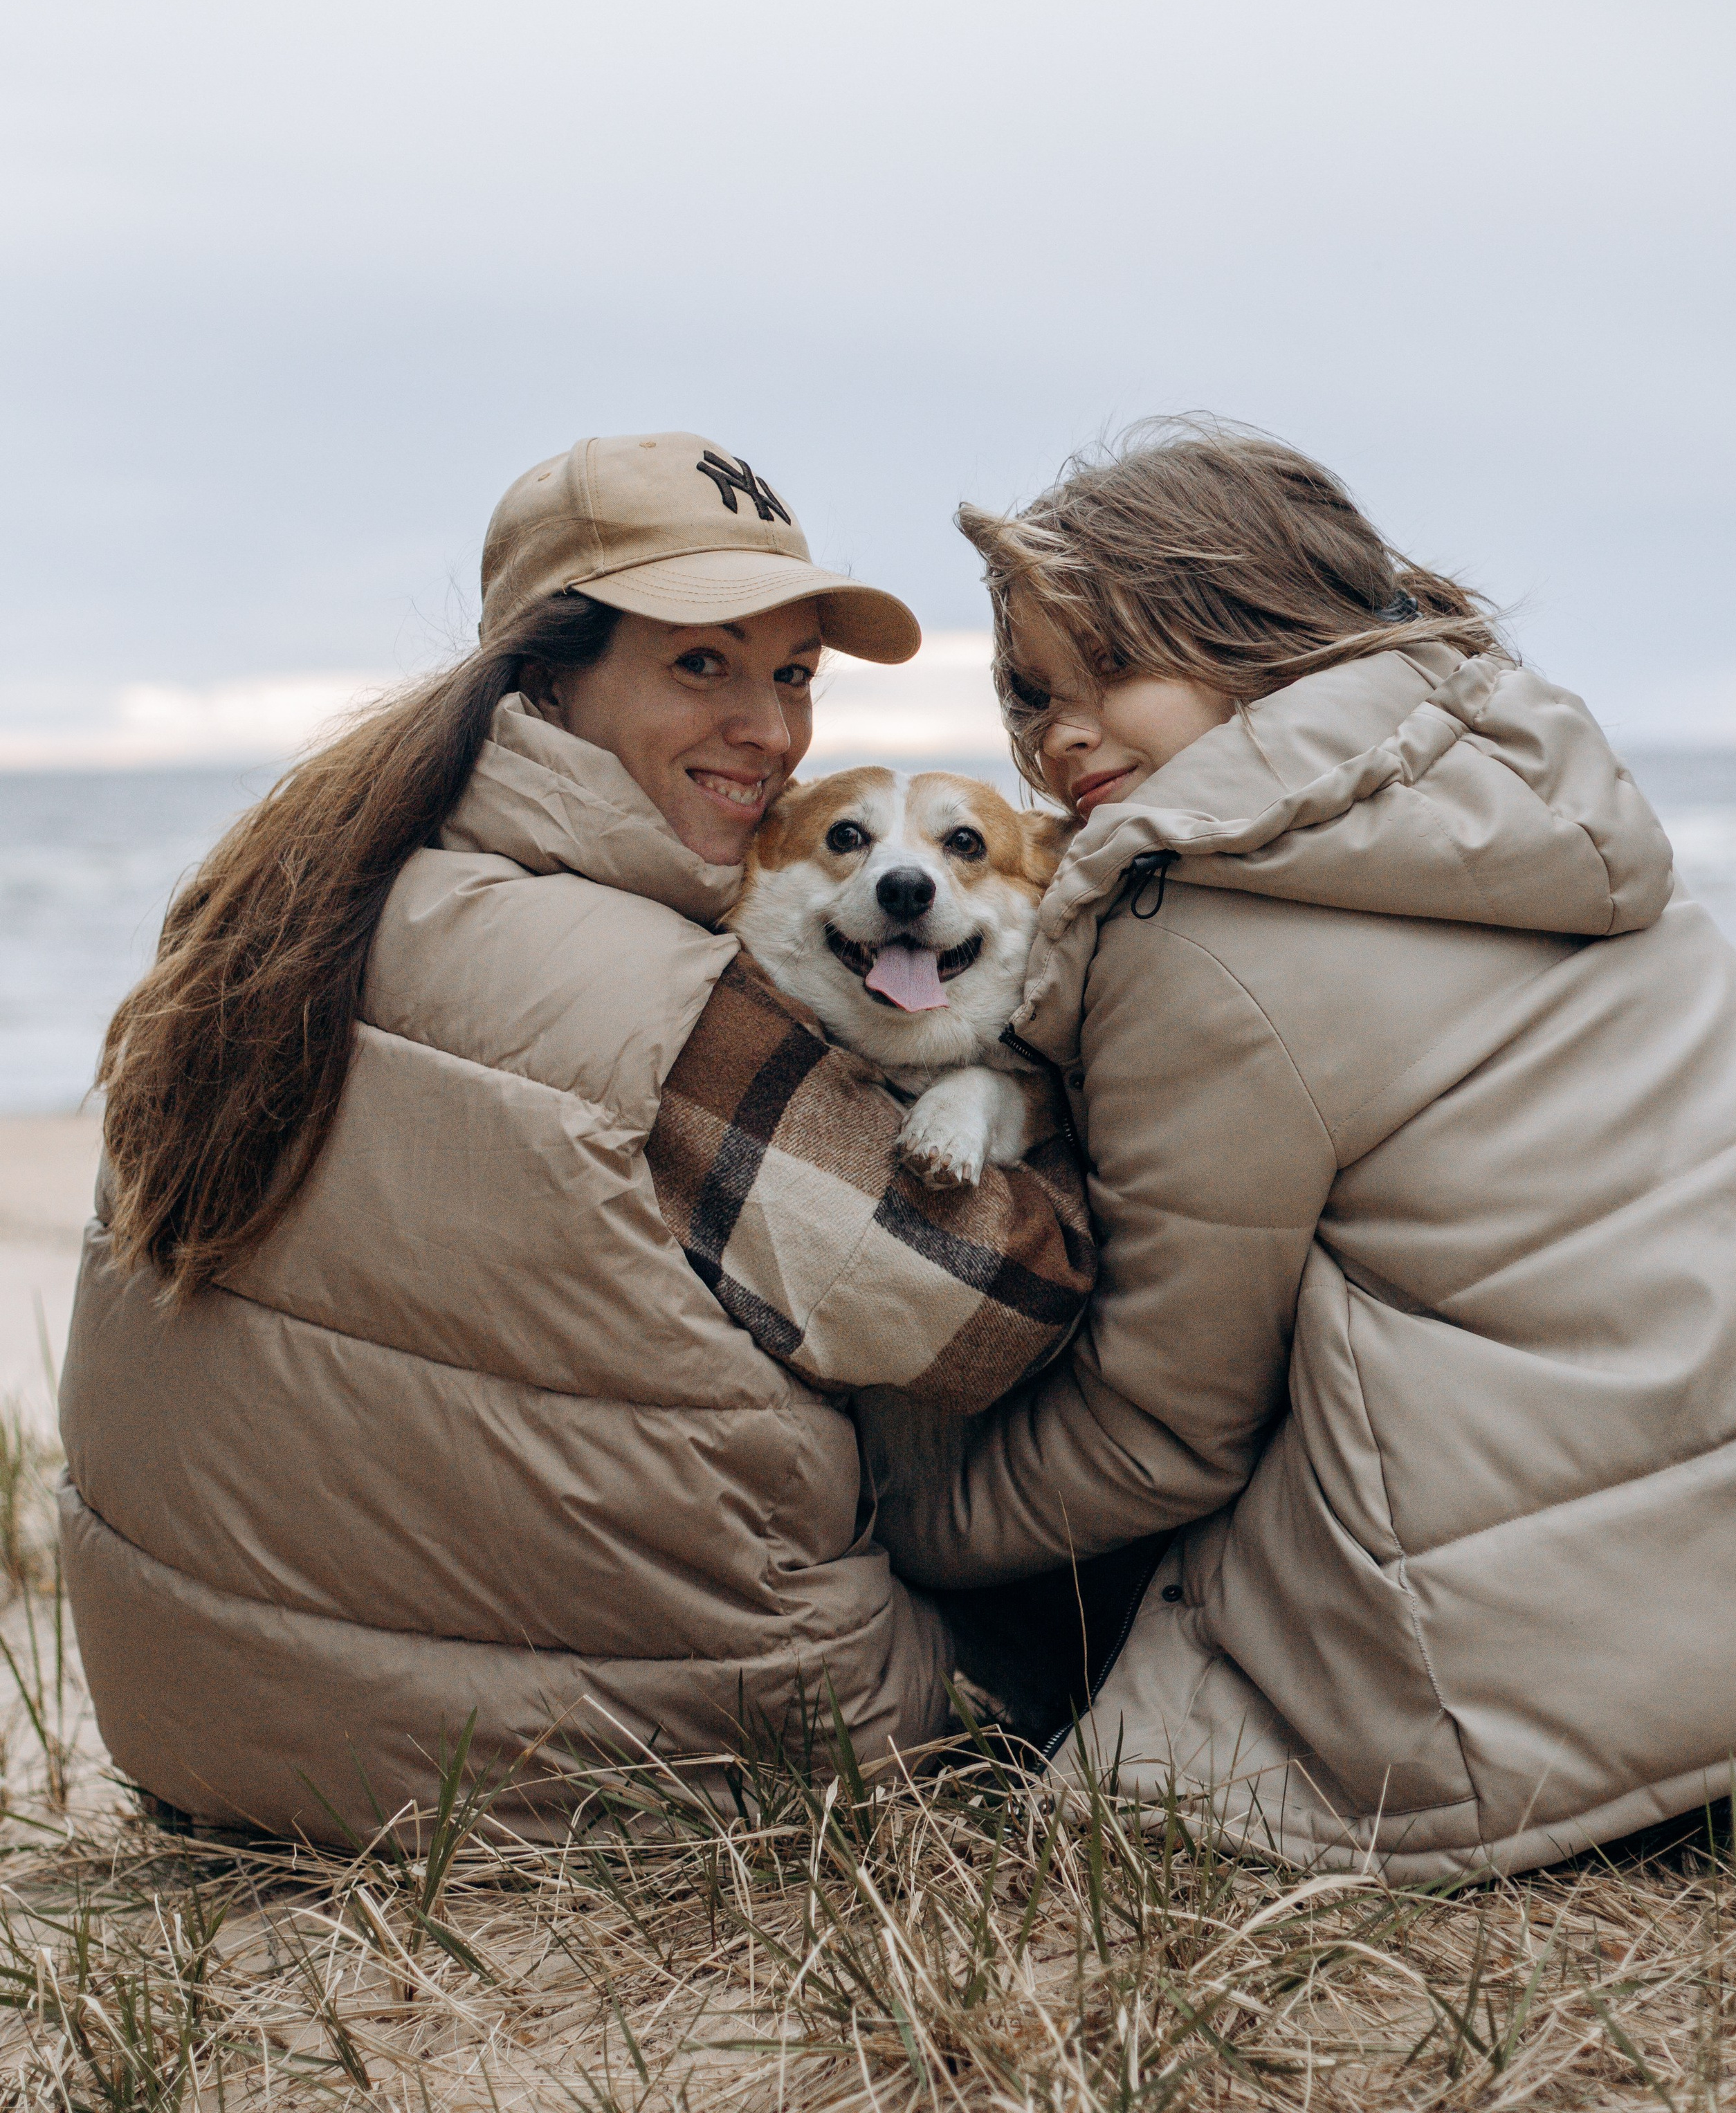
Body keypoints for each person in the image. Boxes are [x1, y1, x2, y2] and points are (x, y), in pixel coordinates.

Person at [60, 432, 1091, 1842]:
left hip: (209, 1728)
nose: (768, 733)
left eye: (789, 676)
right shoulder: (646, 996)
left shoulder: (295, 897)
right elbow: (991, 1314)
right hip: (597, 1758)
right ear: (548, 672)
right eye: (699, 665)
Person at [868, 418, 1736, 1883]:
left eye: (1116, 668)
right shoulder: (1525, 797)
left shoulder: (1199, 930)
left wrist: (902, 1526)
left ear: (1255, 632)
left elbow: (1162, 1431)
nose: (1062, 735)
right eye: (1034, 692)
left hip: (1530, 1682)